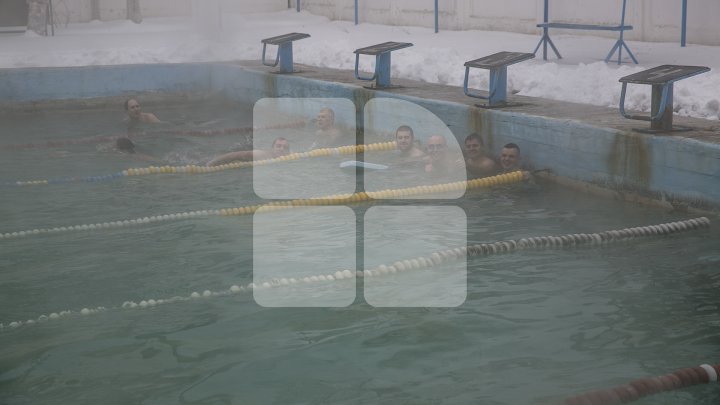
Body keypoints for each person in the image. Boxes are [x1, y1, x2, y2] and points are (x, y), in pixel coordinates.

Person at [207, 137, 290, 166]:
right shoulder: (262, 155)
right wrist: (212, 163)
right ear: (272, 148)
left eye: (285, 147)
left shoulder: (291, 157)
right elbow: (234, 155)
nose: (282, 149)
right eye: (278, 146)